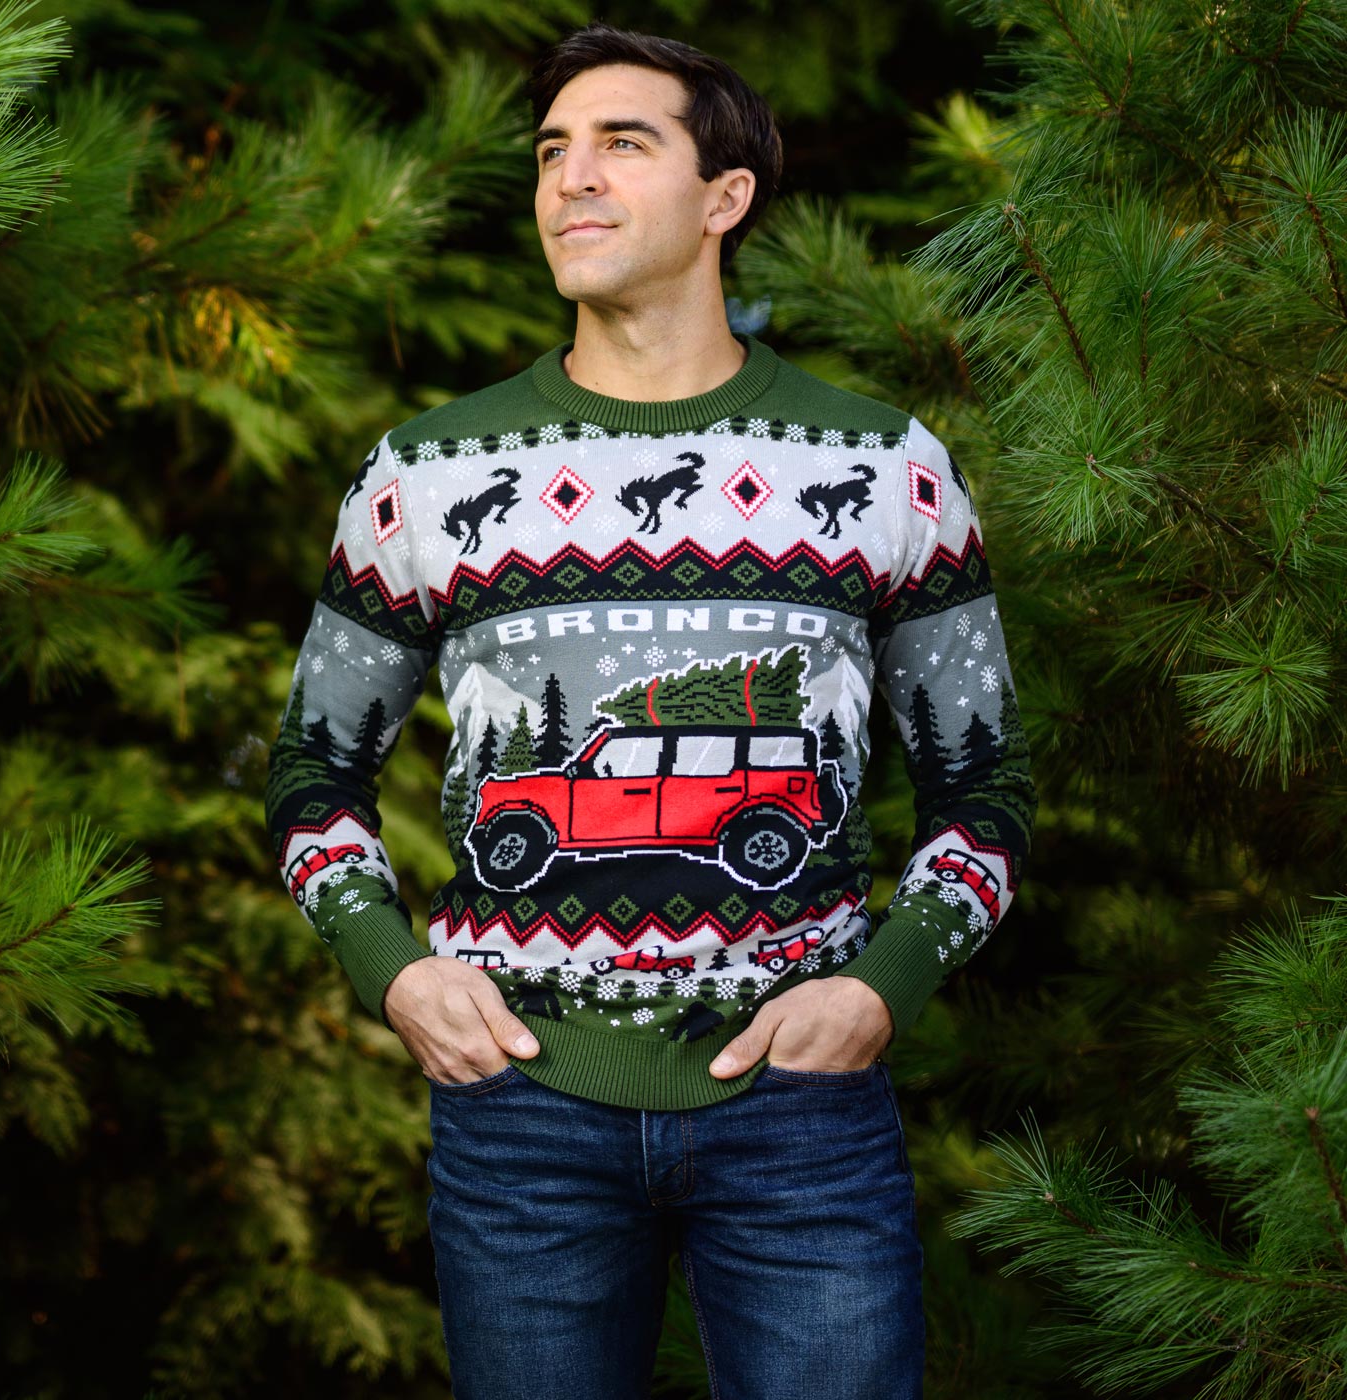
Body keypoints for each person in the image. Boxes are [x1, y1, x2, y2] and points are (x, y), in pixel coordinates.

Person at [265, 22, 1036, 1400]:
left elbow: (984, 794)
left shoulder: (885, 466)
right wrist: (391, 966)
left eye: (625, 144)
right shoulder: (427, 474)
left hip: (803, 1112)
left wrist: (882, 988)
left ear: (724, 198)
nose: (575, 179)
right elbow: (312, 774)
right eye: (555, 151)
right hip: (521, 1114)